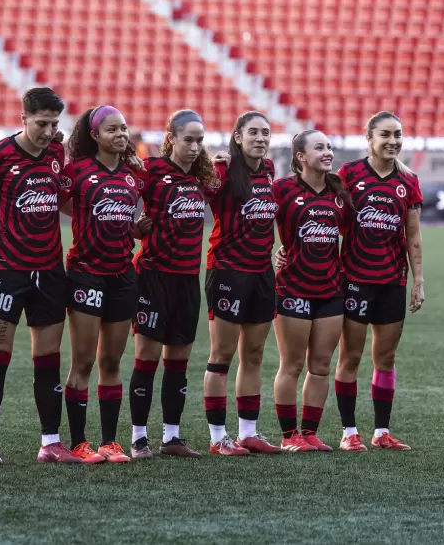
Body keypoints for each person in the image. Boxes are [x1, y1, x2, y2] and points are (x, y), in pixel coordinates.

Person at [0, 87, 80, 465]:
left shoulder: (56, 153)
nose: (48, 131)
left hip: (49, 272)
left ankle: (50, 442)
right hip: (6, 271)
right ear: (23, 119)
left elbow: (64, 198)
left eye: (54, 124)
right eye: (41, 123)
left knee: (48, 358)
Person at [333, 112, 424, 451]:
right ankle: (349, 433)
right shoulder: (349, 174)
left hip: (392, 281)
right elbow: (329, 220)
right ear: (368, 138)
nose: (393, 141)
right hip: (355, 279)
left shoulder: (409, 180)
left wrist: (419, 281)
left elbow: (413, 236)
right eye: (385, 134)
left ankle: (381, 432)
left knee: (385, 358)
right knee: (351, 357)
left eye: (397, 134)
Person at [128, 109, 215, 459]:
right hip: (153, 277)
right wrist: (135, 227)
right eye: (188, 140)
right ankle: (138, 438)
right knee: (147, 358)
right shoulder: (151, 171)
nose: (194, 147)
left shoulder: (201, 177)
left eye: (199, 141)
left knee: (178, 360)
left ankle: (172, 438)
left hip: (187, 280)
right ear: (172, 138)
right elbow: (116, 207)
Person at [59, 106, 140, 464]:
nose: (121, 134)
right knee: (83, 362)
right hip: (86, 274)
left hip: (123, 276)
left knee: (111, 361)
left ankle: (110, 442)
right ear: (94, 136)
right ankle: (79, 442)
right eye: (112, 129)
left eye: (123, 128)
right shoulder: (76, 172)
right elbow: (56, 204)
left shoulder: (136, 175)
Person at [203, 111, 280, 455]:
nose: (261, 138)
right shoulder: (221, 171)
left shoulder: (268, 170)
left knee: (254, 353)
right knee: (222, 354)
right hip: (228, 270)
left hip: (261, 272)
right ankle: (218, 437)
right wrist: (208, 161)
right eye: (253, 132)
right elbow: (191, 194)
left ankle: (248, 432)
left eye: (266, 132)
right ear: (237, 137)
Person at [271, 130, 349, 452]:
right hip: (293, 289)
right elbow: (254, 222)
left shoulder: (339, 192)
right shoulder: (282, 190)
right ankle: (289, 436)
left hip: (331, 290)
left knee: (320, 366)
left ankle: (310, 432)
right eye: (320, 148)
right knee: (291, 365)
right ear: (301, 157)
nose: (328, 152)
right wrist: (274, 252)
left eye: (330, 147)